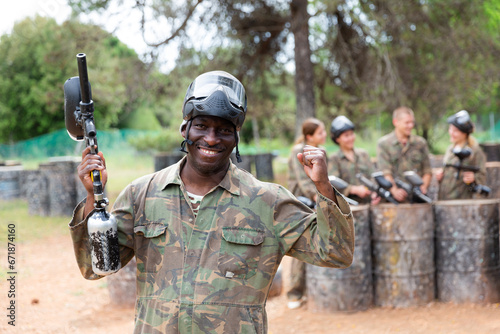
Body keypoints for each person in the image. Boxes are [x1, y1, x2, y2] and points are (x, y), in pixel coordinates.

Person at [69, 70, 354, 333]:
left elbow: (335, 253)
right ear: (185, 130)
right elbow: (94, 267)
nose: (211, 139)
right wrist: (94, 196)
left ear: (236, 138)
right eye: (202, 126)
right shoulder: (141, 195)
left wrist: (323, 188)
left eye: (224, 130)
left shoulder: (268, 201)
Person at [286, 117, 327, 309]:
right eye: (320, 132)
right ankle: (294, 293)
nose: (324, 135)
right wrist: (320, 197)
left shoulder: (319, 152)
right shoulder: (298, 151)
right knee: (300, 246)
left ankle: (311, 290)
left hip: (314, 202)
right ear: (309, 136)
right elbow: (304, 183)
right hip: (300, 204)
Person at [376, 106, 432, 202]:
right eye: (407, 123)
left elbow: (427, 170)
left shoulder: (420, 143)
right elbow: (385, 172)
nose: (410, 126)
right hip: (394, 200)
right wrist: (394, 190)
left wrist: (423, 186)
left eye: (412, 122)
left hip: (417, 199)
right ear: (396, 122)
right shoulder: (384, 144)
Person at [435, 110, 487, 200]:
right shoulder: (450, 149)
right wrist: (440, 176)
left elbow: (482, 176)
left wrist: (473, 178)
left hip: (462, 202)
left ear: (464, 133)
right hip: (444, 199)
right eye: (450, 129)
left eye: (455, 131)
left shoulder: (475, 151)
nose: (451, 133)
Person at [328, 116, 380, 205]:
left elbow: (373, 175)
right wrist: (354, 190)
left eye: (351, 134)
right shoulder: (334, 159)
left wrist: (375, 193)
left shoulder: (363, 154)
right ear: (337, 139)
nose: (351, 138)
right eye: (346, 136)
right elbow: (333, 183)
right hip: (349, 207)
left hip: (369, 203)